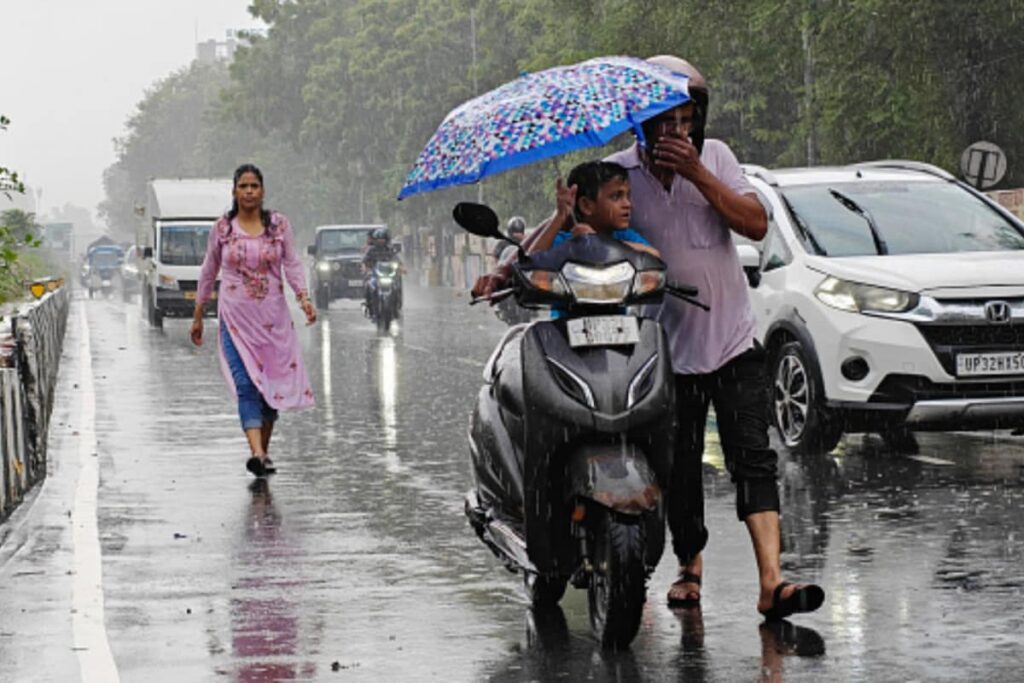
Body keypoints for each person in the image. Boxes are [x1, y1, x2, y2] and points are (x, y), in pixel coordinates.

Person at [603, 54, 823, 620]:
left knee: (753, 457)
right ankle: (689, 567)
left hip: (732, 340)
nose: (678, 132)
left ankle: (772, 582)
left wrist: (698, 173)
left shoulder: (718, 157)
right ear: (641, 124)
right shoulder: (618, 173)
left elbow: (754, 223)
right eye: (665, 122)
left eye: (686, 120)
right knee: (678, 465)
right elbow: (586, 232)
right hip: (664, 350)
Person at [191, 163, 317, 477]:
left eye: (254, 186)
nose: (249, 192)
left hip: (273, 322)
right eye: (243, 186)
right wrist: (198, 314)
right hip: (236, 321)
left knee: (269, 388)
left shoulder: (278, 226)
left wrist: (304, 299)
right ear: (234, 191)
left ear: (262, 190)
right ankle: (257, 453)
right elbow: (209, 271)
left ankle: (263, 452)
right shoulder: (222, 229)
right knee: (247, 386)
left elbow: (292, 264)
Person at [362, 227, 402, 315]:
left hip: (388, 274)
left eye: (383, 239)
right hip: (375, 275)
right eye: (379, 239)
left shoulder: (390, 250)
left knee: (397, 287)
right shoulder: (371, 250)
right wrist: (366, 269)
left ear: (386, 240)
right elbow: (365, 261)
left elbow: (397, 260)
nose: (381, 241)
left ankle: (397, 307)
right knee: (368, 286)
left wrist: (400, 267)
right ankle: (369, 307)